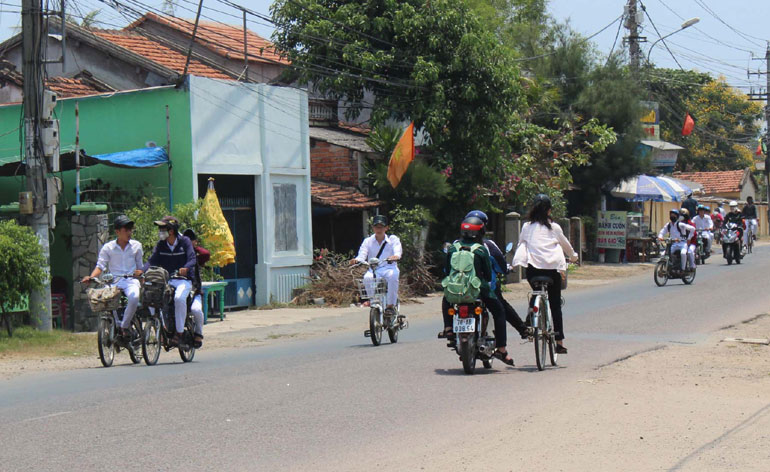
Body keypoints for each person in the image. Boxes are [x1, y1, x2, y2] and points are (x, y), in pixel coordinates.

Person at [443, 215, 514, 365]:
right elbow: (488, 274)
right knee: (499, 311)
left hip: (456, 289)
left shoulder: (452, 248)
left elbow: (446, 270)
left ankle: (449, 328)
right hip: (478, 289)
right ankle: (501, 348)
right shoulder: (481, 250)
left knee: (446, 300)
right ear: (481, 232)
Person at [513, 195, 579, 354]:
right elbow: (567, 247)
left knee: (536, 291)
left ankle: (531, 314)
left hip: (533, 271)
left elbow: (521, 244)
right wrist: (574, 257)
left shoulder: (526, 227)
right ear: (549, 210)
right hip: (553, 271)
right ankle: (559, 342)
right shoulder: (554, 228)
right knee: (555, 305)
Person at [142, 216, 202, 347]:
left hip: (183, 281)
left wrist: (185, 268)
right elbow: (152, 261)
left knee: (179, 299)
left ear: (171, 231)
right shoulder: (161, 245)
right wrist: (141, 271)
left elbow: (192, 259)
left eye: (162, 228)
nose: (160, 231)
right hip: (167, 280)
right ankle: (160, 328)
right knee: (152, 295)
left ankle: (179, 334)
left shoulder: (185, 241)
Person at [82, 215, 143, 341]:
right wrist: (91, 277)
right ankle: (114, 324)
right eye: (126, 230)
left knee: (134, 297)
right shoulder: (108, 248)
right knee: (107, 302)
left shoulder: (137, 246)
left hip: (130, 281)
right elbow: (100, 266)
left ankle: (124, 326)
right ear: (117, 232)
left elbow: (140, 266)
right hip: (113, 281)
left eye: (130, 229)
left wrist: (140, 273)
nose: (129, 232)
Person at [351, 215, 402, 317]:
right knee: (367, 278)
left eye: (381, 227)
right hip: (374, 269)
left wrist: (395, 256)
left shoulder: (393, 239)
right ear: (373, 228)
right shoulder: (368, 241)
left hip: (389, 268)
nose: (379, 229)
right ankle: (374, 302)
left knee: (393, 276)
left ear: (386, 228)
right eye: (376, 226)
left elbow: (397, 251)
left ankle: (390, 306)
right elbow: (362, 254)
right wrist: (357, 260)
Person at [182, 229, 211, 348]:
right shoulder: (179, 254)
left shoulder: (196, 256)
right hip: (181, 290)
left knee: (196, 310)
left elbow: (206, 254)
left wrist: (194, 248)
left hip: (195, 292)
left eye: (191, 241)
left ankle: (198, 333)